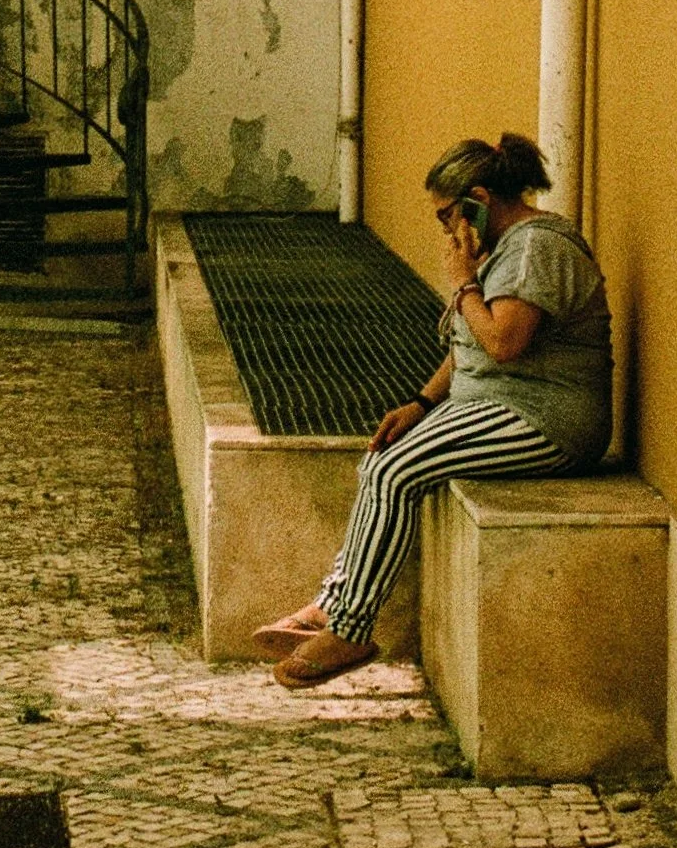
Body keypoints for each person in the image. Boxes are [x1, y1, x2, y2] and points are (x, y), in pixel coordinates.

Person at [256, 133, 613, 689]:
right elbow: (467, 349)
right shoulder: (504, 250)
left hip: (547, 419)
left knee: (396, 472)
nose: (447, 229)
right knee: (385, 455)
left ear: (478, 197)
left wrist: (463, 281)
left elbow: (503, 343)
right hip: (497, 405)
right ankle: (332, 604)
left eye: (448, 215)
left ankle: (351, 629)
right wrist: (420, 404)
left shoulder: (538, 248)